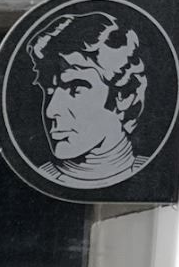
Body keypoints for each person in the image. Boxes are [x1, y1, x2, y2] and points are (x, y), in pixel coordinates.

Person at [26, 11, 149, 187]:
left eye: (75, 89)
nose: (51, 111)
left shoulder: (157, 178)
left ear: (124, 96)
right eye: (49, 90)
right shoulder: (33, 180)